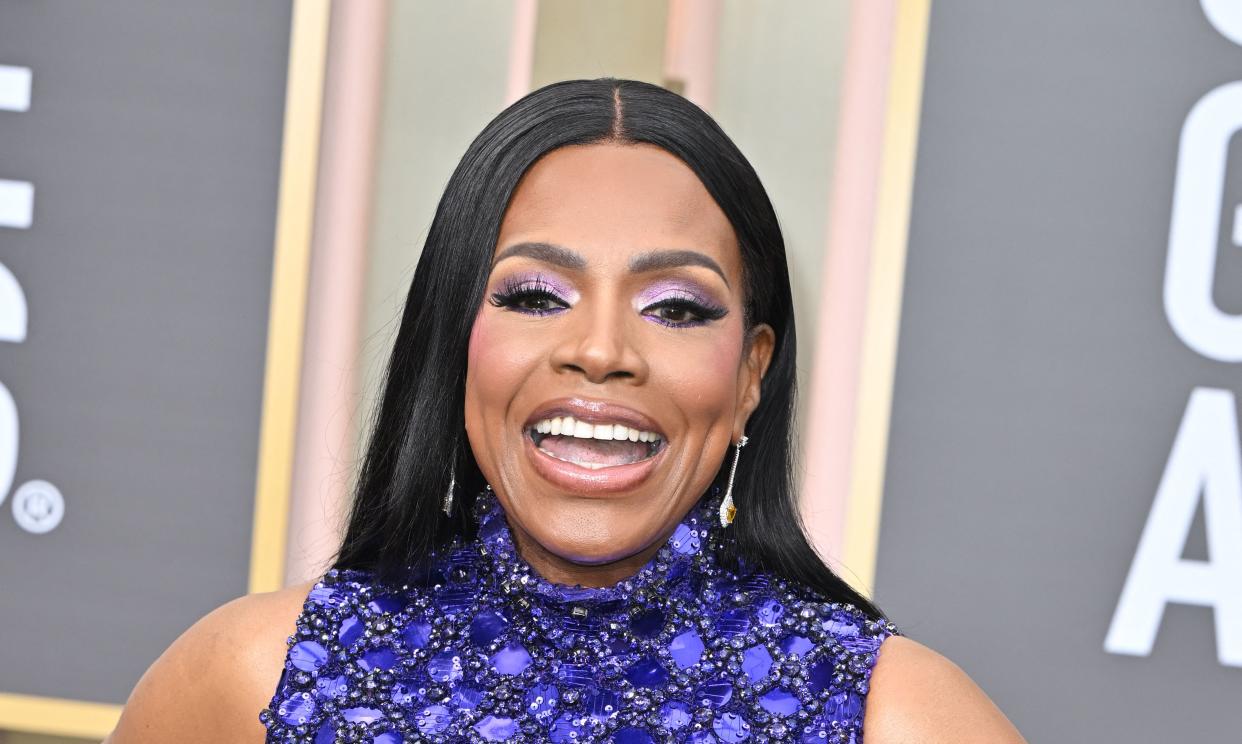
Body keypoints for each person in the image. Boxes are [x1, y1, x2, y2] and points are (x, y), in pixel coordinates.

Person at [107, 78, 1024, 743]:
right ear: (452, 338)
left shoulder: (898, 719)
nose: (601, 350)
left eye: (676, 308)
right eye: (536, 296)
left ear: (751, 374)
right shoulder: (245, 678)